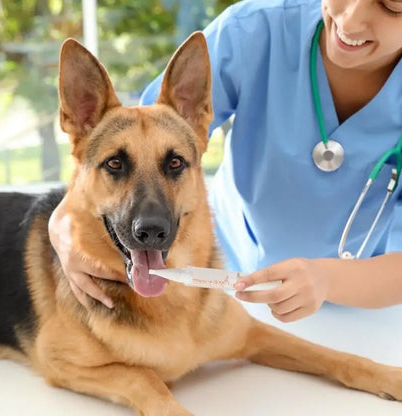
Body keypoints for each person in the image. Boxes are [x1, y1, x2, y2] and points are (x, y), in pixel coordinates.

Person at [49, 0, 402, 322]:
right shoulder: (254, 31)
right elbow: (131, 140)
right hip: (220, 283)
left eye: (391, 7)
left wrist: (328, 279)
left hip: (361, 308)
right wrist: (62, 224)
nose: (350, 20)